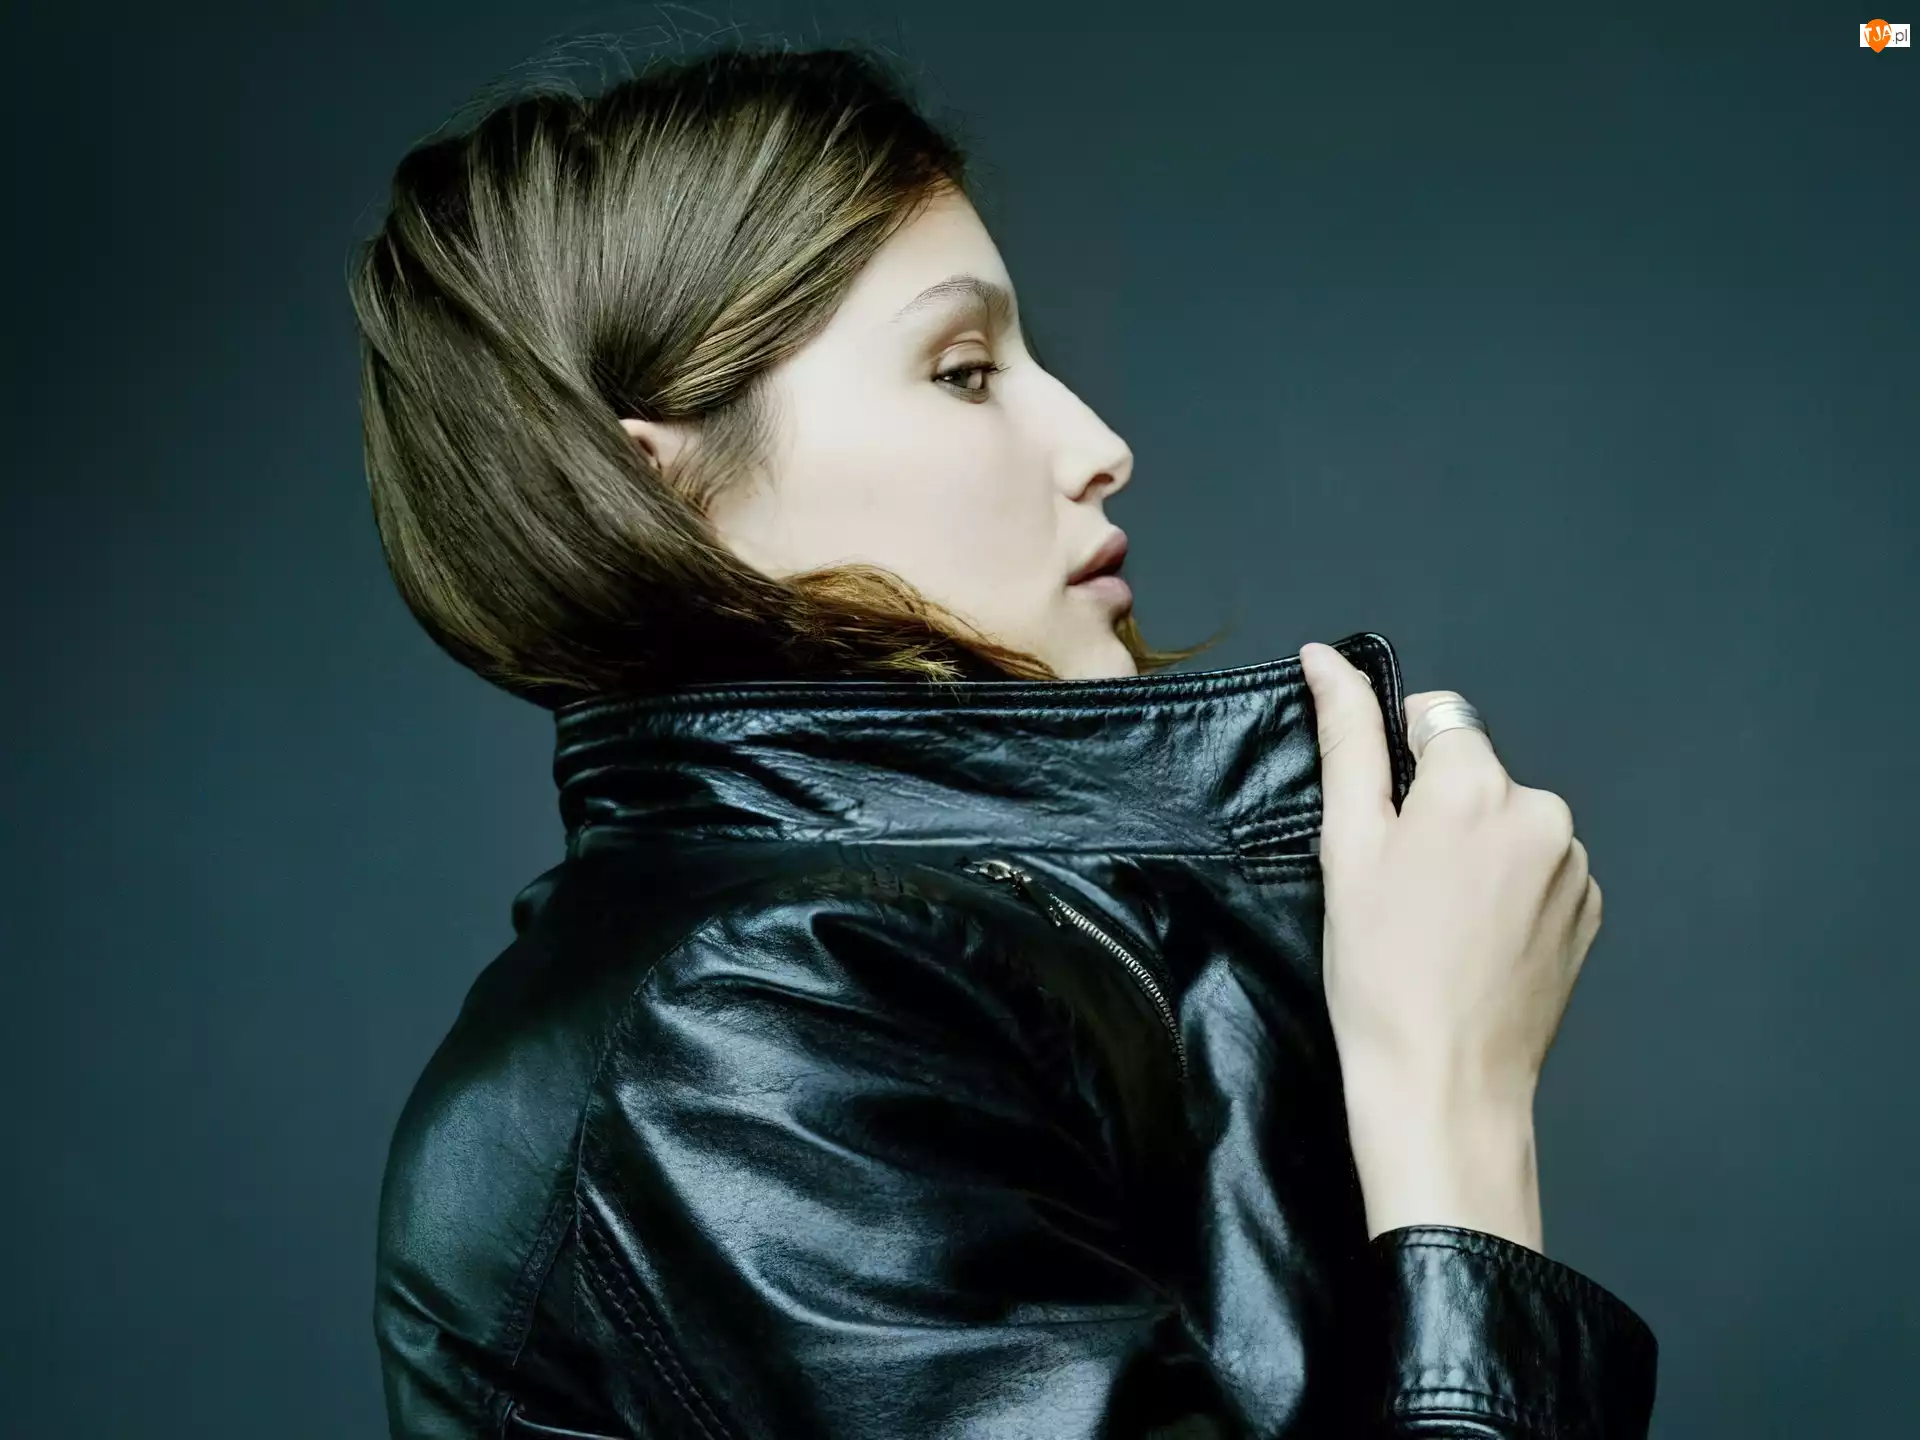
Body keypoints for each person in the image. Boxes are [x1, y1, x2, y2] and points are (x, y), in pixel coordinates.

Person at [354, 43, 1658, 1439]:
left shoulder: (927, 953)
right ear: (665, 492)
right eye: (965, 370)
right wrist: (1454, 1106)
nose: (1099, 444)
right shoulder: (750, 1018)